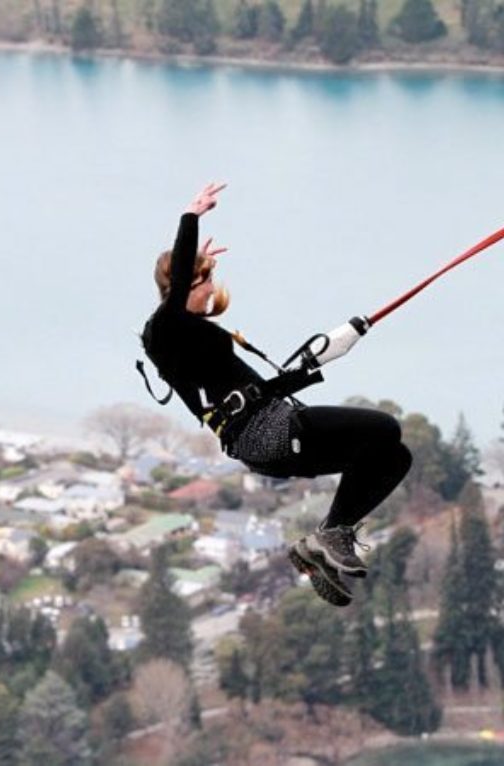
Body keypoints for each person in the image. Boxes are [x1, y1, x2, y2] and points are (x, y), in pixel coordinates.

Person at [140, 182, 412, 607]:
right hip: (265, 433)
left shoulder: (194, 331)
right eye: (203, 281)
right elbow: (177, 293)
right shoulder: (163, 332)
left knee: (394, 456)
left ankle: (325, 541)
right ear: (181, 284)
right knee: (385, 427)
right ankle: (329, 536)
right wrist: (191, 217)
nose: (211, 289)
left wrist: (317, 360)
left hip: (271, 430)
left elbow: (254, 386)